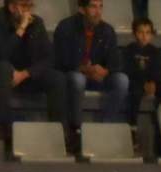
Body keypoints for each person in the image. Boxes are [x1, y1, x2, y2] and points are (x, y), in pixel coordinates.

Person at [0, 0, 63, 142]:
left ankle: (59, 135)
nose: (28, 10)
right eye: (24, 6)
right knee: (3, 68)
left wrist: (25, 74)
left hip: (24, 75)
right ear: (12, 7)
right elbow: (1, 54)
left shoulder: (37, 23)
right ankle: (1, 132)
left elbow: (49, 58)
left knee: (57, 78)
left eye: (30, 5)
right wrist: (21, 28)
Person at [53, 0, 129, 147]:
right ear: (82, 9)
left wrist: (105, 71)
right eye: (93, 6)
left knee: (122, 80)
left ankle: (105, 127)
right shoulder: (66, 27)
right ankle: (76, 129)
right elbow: (60, 60)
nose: (98, 11)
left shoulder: (107, 30)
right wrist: (84, 69)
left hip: (98, 77)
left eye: (100, 7)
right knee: (78, 79)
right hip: (75, 74)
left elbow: (116, 62)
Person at [122, 17, 161, 121]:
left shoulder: (156, 52)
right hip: (135, 82)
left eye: (148, 32)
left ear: (152, 35)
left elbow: (158, 70)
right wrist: (143, 83)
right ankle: (132, 123)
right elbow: (127, 71)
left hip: (151, 82)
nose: (144, 36)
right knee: (135, 91)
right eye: (140, 32)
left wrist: (153, 82)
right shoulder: (128, 50)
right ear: (134, 34)